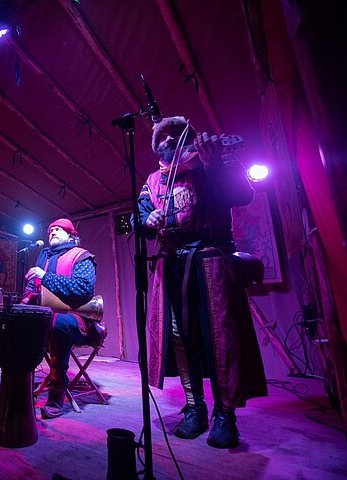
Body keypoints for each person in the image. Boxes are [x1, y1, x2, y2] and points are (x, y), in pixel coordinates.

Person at [137, 115, 267, 448]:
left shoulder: (214, 161)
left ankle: (226, 415)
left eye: (177, 134)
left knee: (221, 336)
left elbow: (242, 194)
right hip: (172, 264)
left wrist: (216, 167)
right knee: (181, 337)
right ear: (156, 149)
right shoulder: (152, 181)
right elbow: (141, 219)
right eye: (163, 137)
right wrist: (148, 220)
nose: (170, 140)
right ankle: (195, 408)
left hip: (210, 259)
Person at [21, 218, 98, 419]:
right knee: (19, 321)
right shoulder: (44, 257)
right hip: (45, 317)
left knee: (59, 323)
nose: (52, 232)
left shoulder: (82, 256)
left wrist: (46, 276)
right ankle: (20, 390)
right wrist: (25, 301)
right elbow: (32, 286)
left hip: (77, 319)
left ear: (71, 234)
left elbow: (82, 290)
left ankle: (56, 395)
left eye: (58, 229)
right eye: (50, 230)